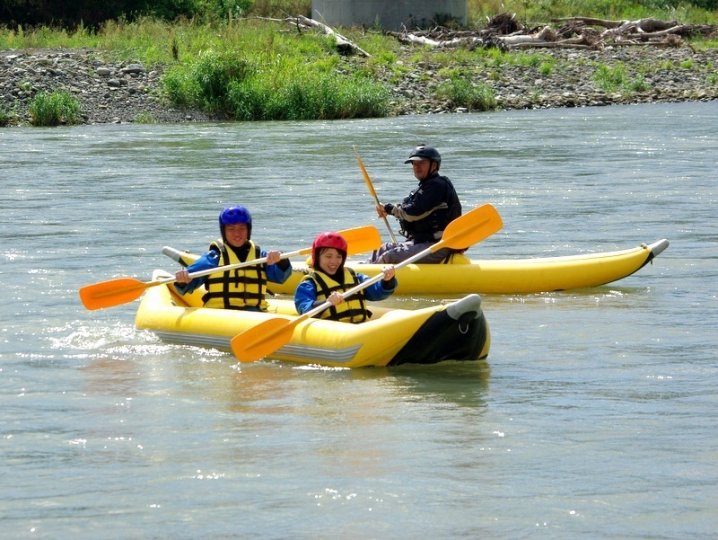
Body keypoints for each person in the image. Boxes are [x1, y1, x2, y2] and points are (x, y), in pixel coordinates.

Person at [174, 205, 292, 311]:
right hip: (222, 315)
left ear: (248, 230)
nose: (237, 233)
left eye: (242, 228)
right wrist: (184, 280)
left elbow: (280, 277)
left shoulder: (260, 256)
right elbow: (186, 285)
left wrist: (281, 261)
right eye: (231, 229)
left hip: (254, 313)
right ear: (224, 231)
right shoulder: (214, 258)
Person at [369, 144, 462, 264]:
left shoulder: (438, 186)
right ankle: (356, 275)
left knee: (390, 256)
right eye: (415, 164)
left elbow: (413, 213)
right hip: (424, 243)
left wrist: (390, 209)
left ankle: (373, 281)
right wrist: (388, 210)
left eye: (421, 163)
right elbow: (407, 208)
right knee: (382, 249)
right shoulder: (425, 187)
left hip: (439, 245)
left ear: (434, 165)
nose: (417, 167)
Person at [295, 232, 396, 323]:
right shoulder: (309, 284)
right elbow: (304, 309)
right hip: (334, 333)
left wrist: (387, 280)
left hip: (361, 327)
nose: (334, 261)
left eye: (338, 257)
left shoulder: (356, 277)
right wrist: (326, 303)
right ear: (317, 257)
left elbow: (377, 293)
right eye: (328, 256)